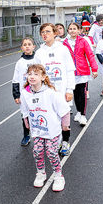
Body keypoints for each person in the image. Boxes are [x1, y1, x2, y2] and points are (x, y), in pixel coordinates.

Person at [19, 64, 70, 192]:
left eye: (36, 74)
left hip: (52, 130)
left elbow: (64, 111)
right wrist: (27, 123)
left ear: (43, 77)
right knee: (37, 151)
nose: (32, 76)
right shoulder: (25, 93)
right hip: (37, 130)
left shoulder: (51, 93)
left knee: (52, 152)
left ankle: (59, 176)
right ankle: (41, 173)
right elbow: (24, 110)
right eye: (30, 74)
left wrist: (65, 126)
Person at [33, 23, 75, 156]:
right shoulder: (39, 53)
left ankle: (65, 142)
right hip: (47, 93)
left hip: (62, 90)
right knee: (51, 119)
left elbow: (70, 70)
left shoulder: (63, 49)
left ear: (55, 33)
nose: (45, 34)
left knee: (64, 120)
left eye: (48, 31)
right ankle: (56, 142)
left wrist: (69, 89)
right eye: (42, 32)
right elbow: (35, 73)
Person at [63, 22, 99, 125]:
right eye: (70, 29)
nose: (72, 30)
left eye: (75, 28)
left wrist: (94, 69)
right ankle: (78, 111)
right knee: (75, 93)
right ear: (68, 31)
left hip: (82, 71)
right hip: (70, 73)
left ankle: (83, 115)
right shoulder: (64, 43)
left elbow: (90, 55)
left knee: (82, 93)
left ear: (79, 30)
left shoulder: (83, 41)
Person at [12, 36, 38, 146]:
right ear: (21, 48)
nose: (27, 46)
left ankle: (39, 135)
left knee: (38, 113)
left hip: (38, 92)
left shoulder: (38, 59)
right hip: (25, 94)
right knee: (25, 115)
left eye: (29, 44)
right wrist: (16, 95)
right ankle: (26, 135)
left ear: (34, 46)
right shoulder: (19, 63)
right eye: (25, 45)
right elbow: (15, 79)